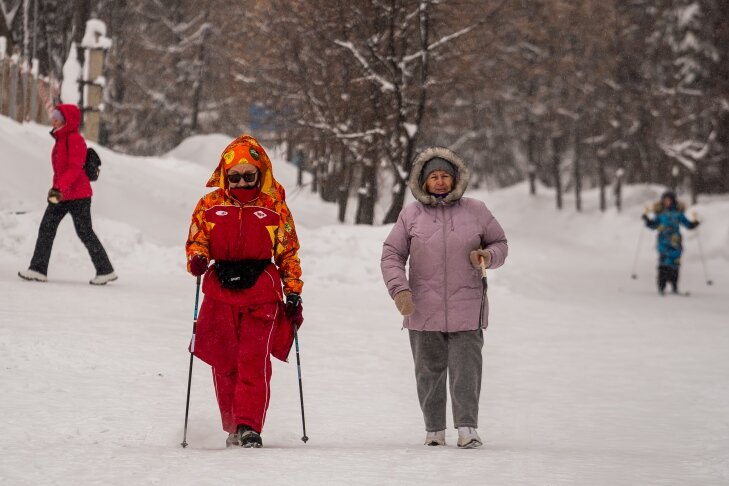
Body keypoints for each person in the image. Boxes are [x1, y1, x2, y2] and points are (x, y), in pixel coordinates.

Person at [380, 147, 508, 449]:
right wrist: (400, 291)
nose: (440, 182)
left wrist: (488, 256)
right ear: (423, 182)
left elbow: (500, 242)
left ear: (456, 179)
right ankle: (434, 431)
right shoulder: (411, 214)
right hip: (422, 307)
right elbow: (391, 254)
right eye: (433, 177)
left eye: (445, 176)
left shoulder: (476, 210)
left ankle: (467, 428)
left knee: (466, 372)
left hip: (467, 306)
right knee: (428, 372)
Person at [185, 134, 304, 448]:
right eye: (234, 177)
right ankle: (232, 425)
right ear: (225, 176)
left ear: (260, 173)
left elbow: (288, 252)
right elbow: (197, 241)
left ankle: (250, 425)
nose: (241, 183)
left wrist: (292, 291)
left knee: (253, 360)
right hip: (220, 293)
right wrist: (197, 258)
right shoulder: (209, 205)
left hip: (261, 294)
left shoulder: (274, 206)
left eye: (248, 176)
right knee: (225, 362)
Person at [18, 104, 117, 285]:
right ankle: (38, 269)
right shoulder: (60, 138)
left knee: (84, 232)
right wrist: (57, 188)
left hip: (78, 195)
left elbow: (74, 168)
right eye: (54, 116)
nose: (53, 119)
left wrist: (59, 188)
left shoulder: (75, 139)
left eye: (58, 117)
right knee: (47, 228)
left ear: (67, 120)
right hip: (63, 194)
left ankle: (105, 270)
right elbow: (60, 170)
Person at [642, 190, 699, 295]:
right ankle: (661, 285)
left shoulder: (678, 214)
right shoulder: (660, 214)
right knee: (663, 264)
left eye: (669, 200)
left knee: (674, 264)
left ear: (673, 201)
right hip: (663, 242)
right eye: (665, 200)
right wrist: (648, 221)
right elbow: (654, 225)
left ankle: (674, 285)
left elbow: (686, 223)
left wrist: (693, 224)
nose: (667, 202)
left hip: (675, 243)